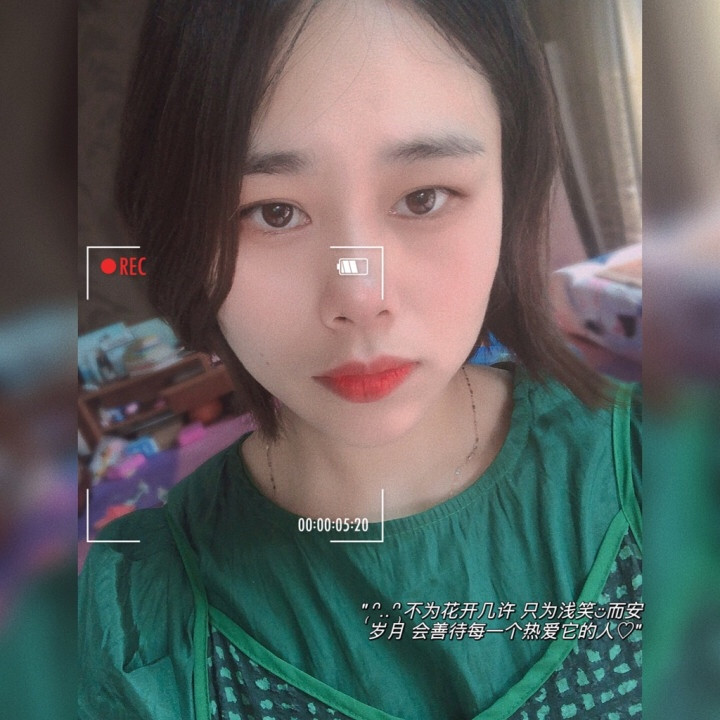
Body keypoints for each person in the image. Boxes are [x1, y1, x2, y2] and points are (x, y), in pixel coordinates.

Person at [79, 1, 642, 718]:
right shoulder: (141, 621)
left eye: (424, 197)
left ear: (512, 189)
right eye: (273, 212)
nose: (361, 297)